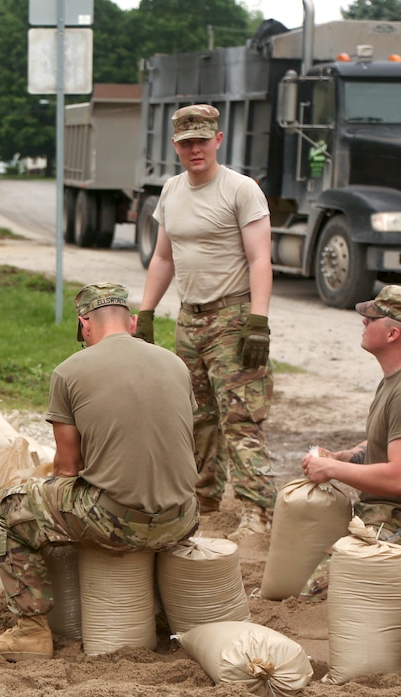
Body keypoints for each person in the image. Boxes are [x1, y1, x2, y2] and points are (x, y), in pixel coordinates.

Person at [0, 283, 199, 661]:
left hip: (116, 523)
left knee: (4, 508)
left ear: (85, 326)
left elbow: (68, 469)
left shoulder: (69, 371)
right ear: (132, 323)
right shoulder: (176, 364)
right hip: (183, 518)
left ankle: (30, 632)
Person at [135, 103, 275, 541]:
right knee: (196, 416)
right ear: (175, 146)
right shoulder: (172, 190)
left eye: (202, 140)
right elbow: (163, 256)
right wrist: (145, 312)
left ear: (218, 140)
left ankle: (258, 514)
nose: (195, 149)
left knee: (240, 416)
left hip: (232, 318)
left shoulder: (240, 190)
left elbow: (260, 258)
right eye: (186, 142)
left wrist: (259, 320)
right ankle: (205, 496)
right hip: (189, 319)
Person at [299, 285, 401, 599]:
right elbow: (384, 445)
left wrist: (330, 469)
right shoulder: (400, 380)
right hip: (387, 519)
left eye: (373, 317)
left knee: (316, 598)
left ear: (393, 334)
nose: (364, 321)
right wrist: (344, 457)